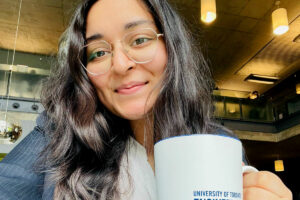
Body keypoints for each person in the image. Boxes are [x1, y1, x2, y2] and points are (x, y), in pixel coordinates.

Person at [0, 0, 293, 199]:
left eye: (139, 40)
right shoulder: (59, 132)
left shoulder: (215, 143)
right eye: (98, 52)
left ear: (172, 50)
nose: (119, 64)